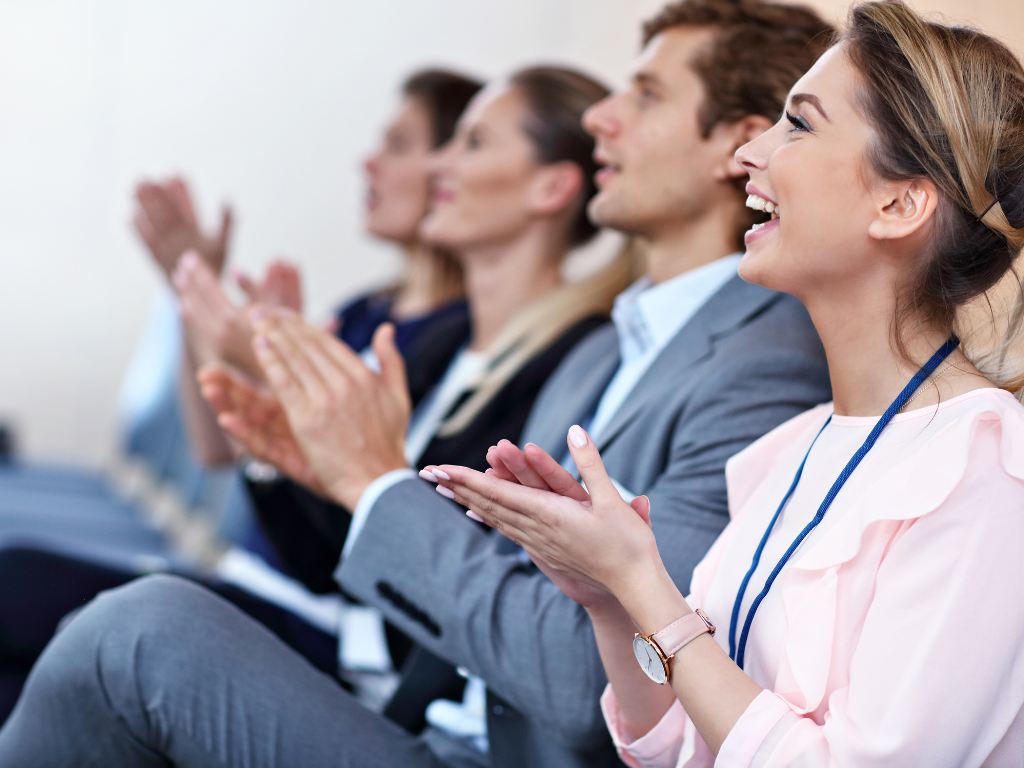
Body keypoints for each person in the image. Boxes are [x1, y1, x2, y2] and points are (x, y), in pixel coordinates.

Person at [198, 1, 832, 765]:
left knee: (137, 632)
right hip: (424, 719)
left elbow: (590, 683)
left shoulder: (768, 368)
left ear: (735, 144)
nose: (602, 116)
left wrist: (372, 481)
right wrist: (345, 481)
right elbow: (483, 578)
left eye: (648, 94)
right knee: (131, 631)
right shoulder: (600, 351)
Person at [426, 2, 1024, 766]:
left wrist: (643, 585)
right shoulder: (791, 447)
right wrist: (609, 602)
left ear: (900, 203)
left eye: (799, 125)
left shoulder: (988, 472)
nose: (751, 153)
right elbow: (678, 738)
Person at [0, 64, 633, 767]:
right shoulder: (447, 342)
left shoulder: (566, 360)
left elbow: (405, 564)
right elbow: (328, 535)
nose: (438, 165)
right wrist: (270, 429)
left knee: (46, 601)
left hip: (370, 660)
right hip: (320, 614)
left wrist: (280, 408)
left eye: (471, 144)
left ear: (552, 187)